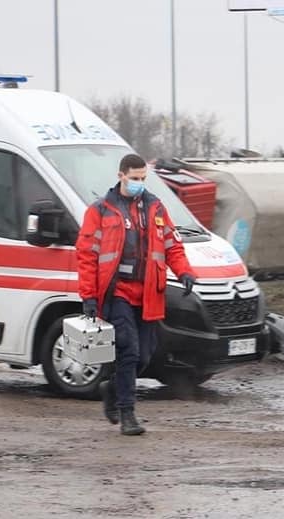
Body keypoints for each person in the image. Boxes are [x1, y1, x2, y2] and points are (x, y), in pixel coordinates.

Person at [76, 153, 196, 436]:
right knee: (128, 349)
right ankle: (127, 412)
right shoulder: (101, 210)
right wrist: (89, 297)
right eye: (134, 178)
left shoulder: (155, 207)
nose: (139, 183)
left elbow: (172, 246)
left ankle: (112, 388)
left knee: (143, 356)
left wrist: (185, 272)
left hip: (149, 292)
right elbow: (86, 256)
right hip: (117, 291)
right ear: (121, 176)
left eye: (143, 178)